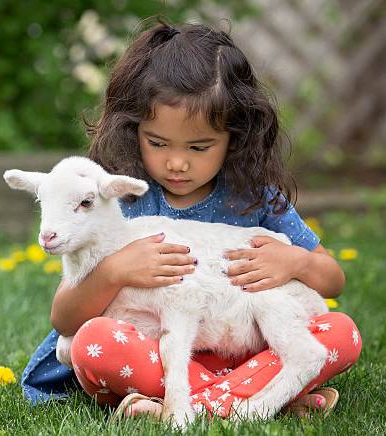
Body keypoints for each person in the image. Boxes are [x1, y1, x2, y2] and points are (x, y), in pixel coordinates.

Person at [22, 20, 362, 420]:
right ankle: (258, 399)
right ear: (135, 132)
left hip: (244, 348)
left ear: (235, 137)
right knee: (92, 344)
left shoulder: (256, 200)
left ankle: (182, 404)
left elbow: (333, 279)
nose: (177, 162)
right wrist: (113, 271)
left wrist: (297, 262)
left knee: (342, 332)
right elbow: (64, 317)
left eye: (199, 147)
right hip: (160, 354)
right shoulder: (125, 203)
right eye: (158, 143)